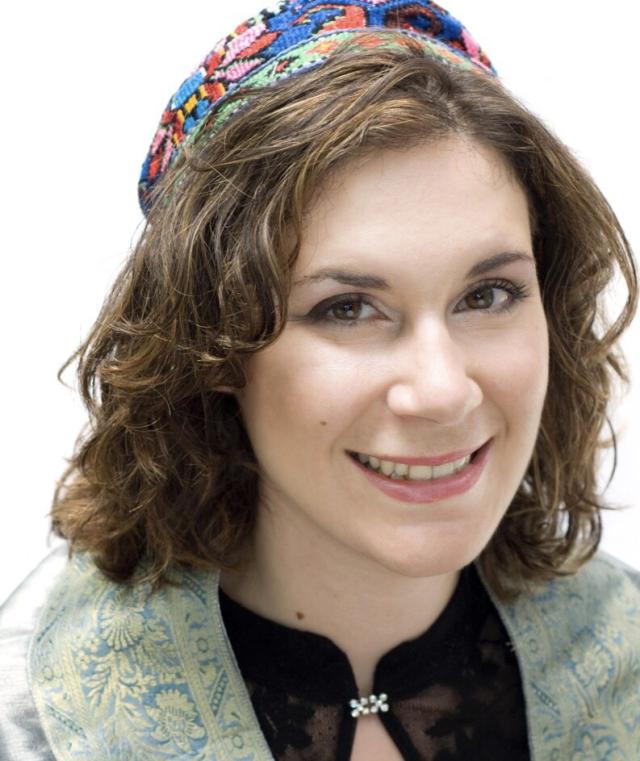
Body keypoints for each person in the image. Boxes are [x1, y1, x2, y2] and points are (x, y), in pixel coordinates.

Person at [1, 1, 639, 759]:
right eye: (347, 308)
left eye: (487, 294)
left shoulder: (623, 654)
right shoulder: (41, 711)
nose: (441, 390)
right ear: (213, 344)